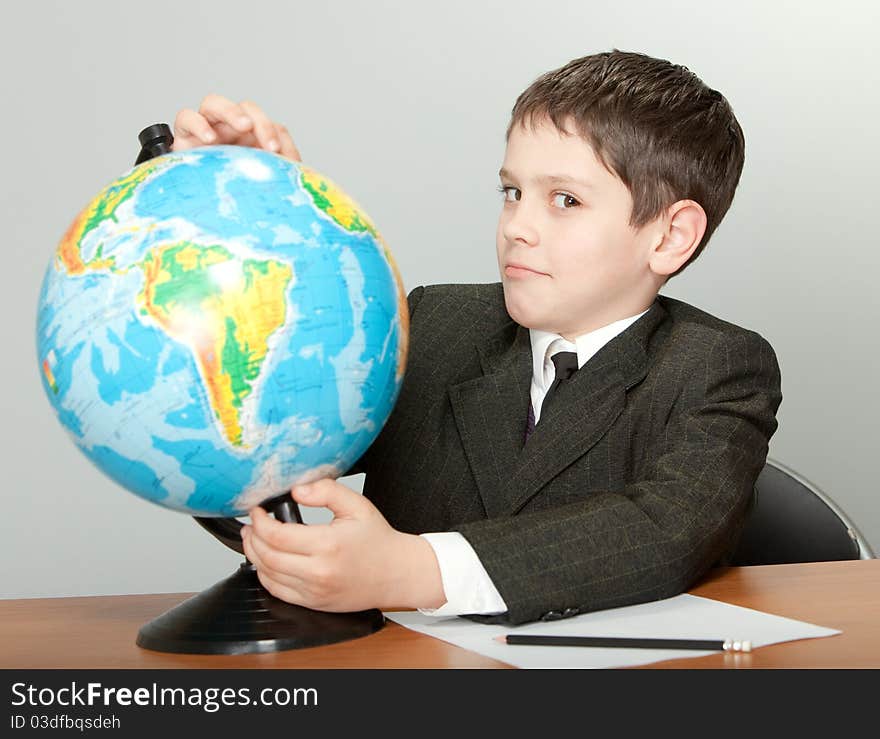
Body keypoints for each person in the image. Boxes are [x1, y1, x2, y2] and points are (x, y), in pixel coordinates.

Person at [171, 49, 782, 625]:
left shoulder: (718, 365)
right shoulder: (440, 324)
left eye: (564, 200)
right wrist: (251, 223)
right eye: (512, 192)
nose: (518, 226)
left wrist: (414, 570)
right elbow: (266, 427)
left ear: (670, 237)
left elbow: (667, 529)